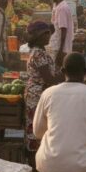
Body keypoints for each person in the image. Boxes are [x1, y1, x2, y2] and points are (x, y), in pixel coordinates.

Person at [25, 21, 60, 153]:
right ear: (38, 36)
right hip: (37, 95)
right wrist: (65, 74)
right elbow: (49, 79)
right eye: (45, 34)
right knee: (36, 127)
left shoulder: (41, 51)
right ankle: (34, 159)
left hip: (40, 94)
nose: (48, 36)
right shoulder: (38, 53)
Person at [50, 0, 75, 67]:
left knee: (58, 69)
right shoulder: (58, 6)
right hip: (57, 45)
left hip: (61, 48)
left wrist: (60, 51)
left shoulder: (62, 9)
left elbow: (63, 29)